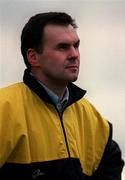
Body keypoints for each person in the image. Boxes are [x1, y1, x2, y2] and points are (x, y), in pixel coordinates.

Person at [0, 12, 124, 179]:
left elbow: (112, 167)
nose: (74, 54)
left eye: (76, 45)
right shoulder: (4, 108)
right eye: (63, 47)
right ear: (33, 57)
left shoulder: (93, 119)